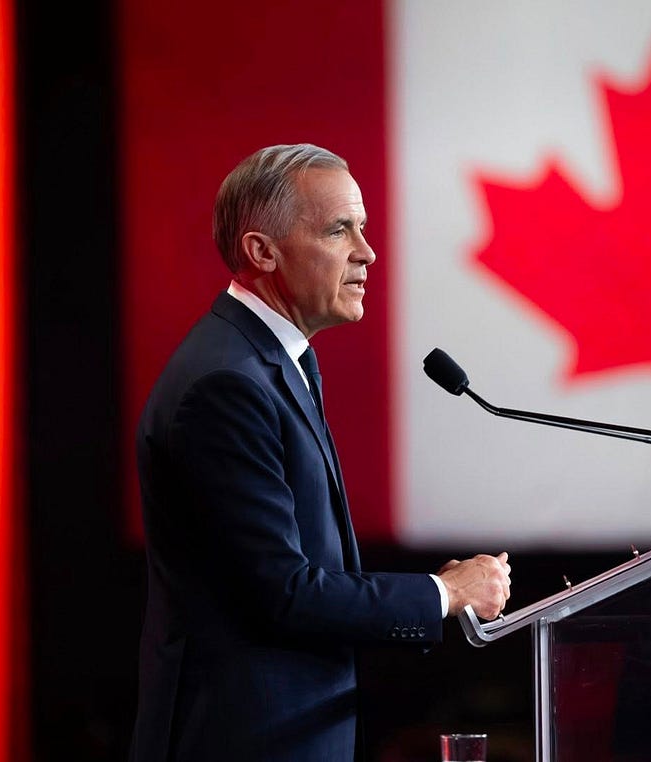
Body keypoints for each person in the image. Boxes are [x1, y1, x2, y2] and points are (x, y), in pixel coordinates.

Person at [129, 143, 512, 761]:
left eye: (362, 228)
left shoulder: (271, 363)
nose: (367, 252)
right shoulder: (226, 383)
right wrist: (446, 593)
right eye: (340, 230)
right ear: (262, 251)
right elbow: (284, 592)